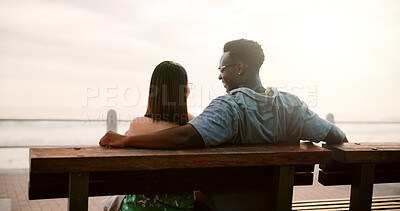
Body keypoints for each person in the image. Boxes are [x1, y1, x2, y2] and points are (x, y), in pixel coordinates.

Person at [100, 39, 347, 210]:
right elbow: (336, 134)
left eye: (223, 68)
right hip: (276, 204)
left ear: (240, 68)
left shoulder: (228, 107)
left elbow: (185, 137)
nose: (219, 75)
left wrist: (126, 139)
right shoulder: (292, 106)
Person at [102, 61, 195, 211]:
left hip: (138, 207)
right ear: (184, 90)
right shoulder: (194, 126)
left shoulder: (137, 125)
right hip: (181, 207)